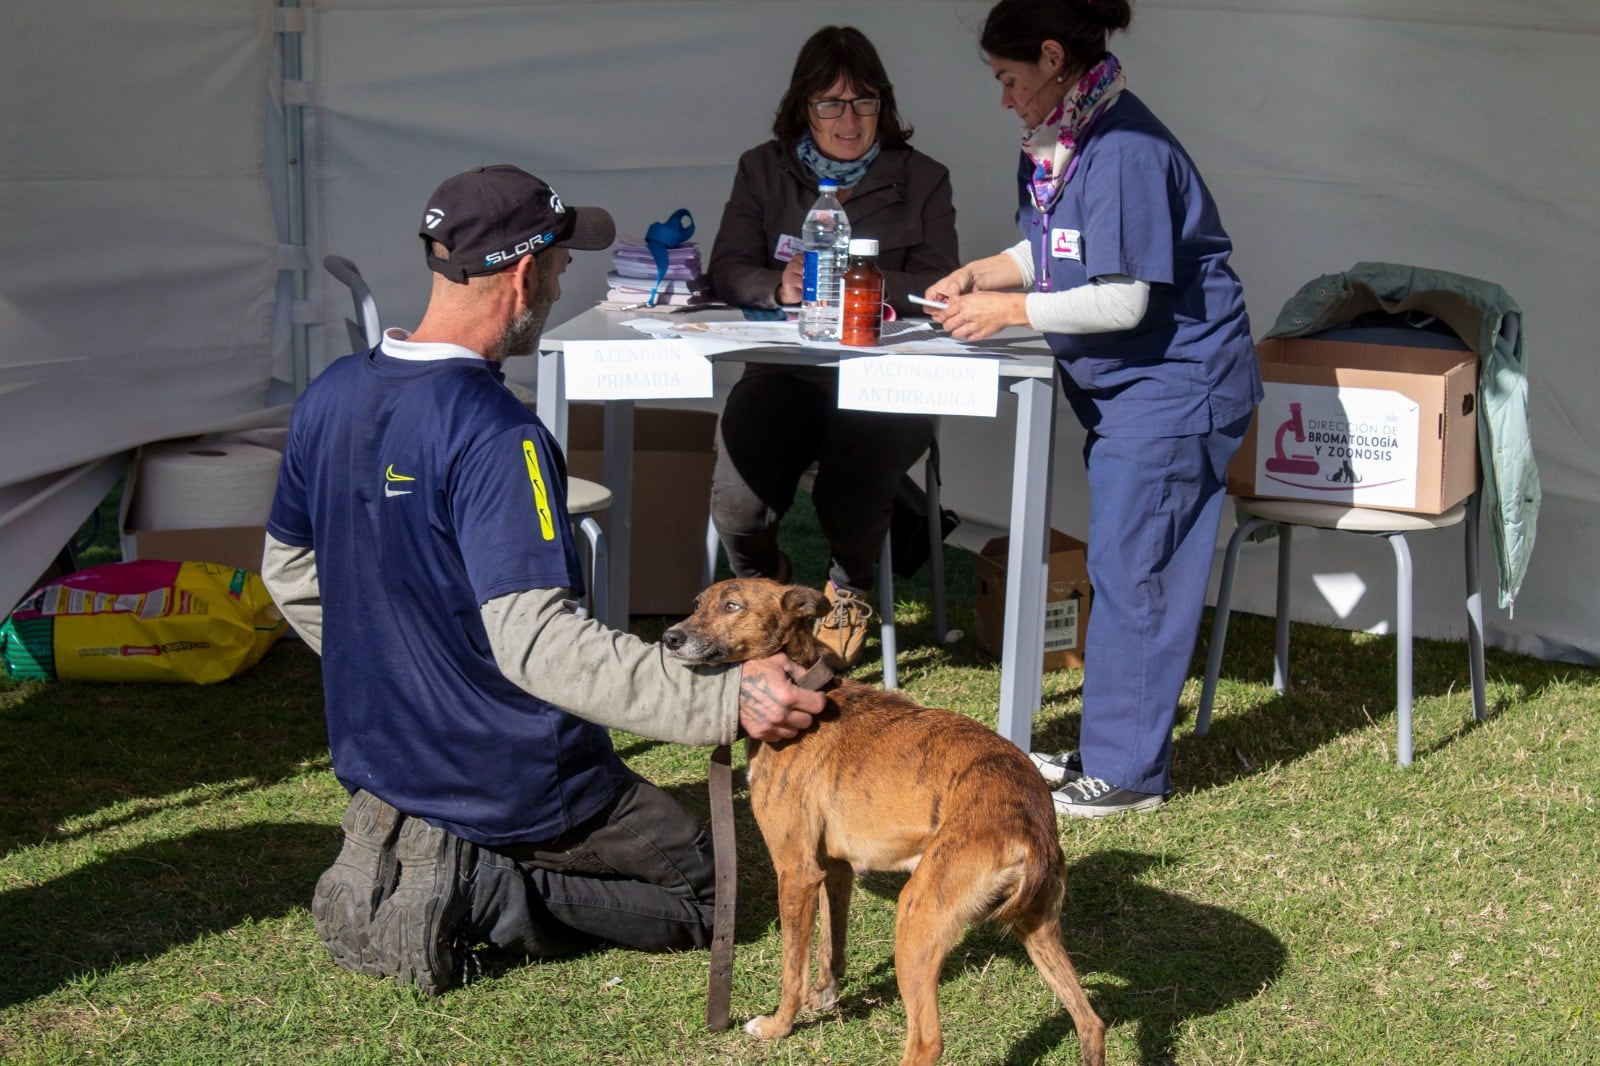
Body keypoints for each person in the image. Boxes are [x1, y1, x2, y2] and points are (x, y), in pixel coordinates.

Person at [261, 164, 826, 994]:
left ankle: (417, 832)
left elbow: (288, 571)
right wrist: (722, 698)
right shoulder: (500, 433)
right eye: (562, 267)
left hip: (383, 755)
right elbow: (542, 646)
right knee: (716, 894)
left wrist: (405, 675)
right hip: (511, 773)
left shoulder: (331, 393)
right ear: (525, 273)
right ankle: (483, 887)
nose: (563, 285)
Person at [926, 0, 1262, 817]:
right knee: (1125, 564)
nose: (1004, 99)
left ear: (1050, 56)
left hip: (1177, 389)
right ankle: (1111, 745)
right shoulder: (1067, 140)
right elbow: (1055, 247)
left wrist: (1012, 313)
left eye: (1009, 79)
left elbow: (1122, 300)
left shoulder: (1124, 150)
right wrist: (986, 274)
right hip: (1137, 394)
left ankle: (1128, 773)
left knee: (1134, 573)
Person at [706, 25, 961, 669]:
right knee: (737, 506)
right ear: (803, 107)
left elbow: (940, 281)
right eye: (830, 103)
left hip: (888, 379)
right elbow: (727, 267)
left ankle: (848, 591)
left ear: (884, 106)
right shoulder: (762, 169)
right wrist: (776, 284)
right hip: (785, 374)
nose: (849, 119)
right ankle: (770, 593)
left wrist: (862, 285)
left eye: (864, 102)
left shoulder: (924, 177)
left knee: (850, 492)